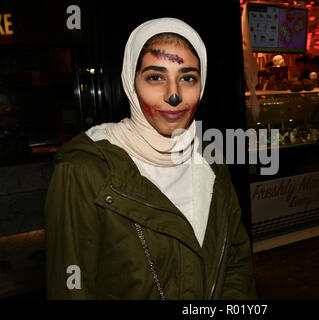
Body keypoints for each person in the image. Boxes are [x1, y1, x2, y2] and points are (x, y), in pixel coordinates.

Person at [45, 18, 257, 300]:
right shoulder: (84, 170)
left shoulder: (210, 158)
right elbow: (71, 288)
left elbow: (235, 260)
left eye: (188, 78)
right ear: (131, 84)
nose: (173, 95)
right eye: (155, 77)